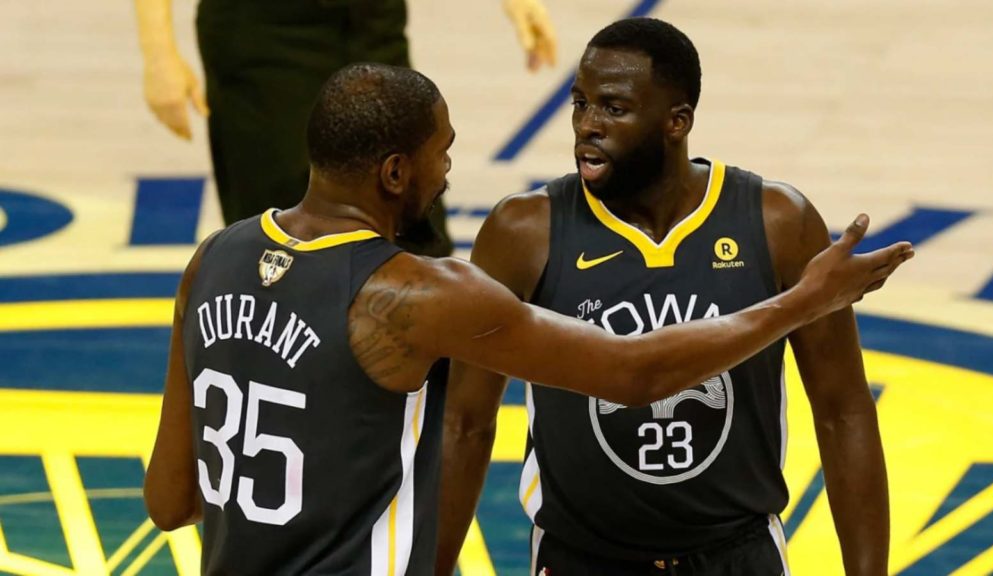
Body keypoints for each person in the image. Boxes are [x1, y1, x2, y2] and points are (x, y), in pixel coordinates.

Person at [142, 63, 910, 575]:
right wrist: (804, 301)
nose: (447, 174)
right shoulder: (415, 295)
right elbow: (634, 372)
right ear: (395, 172)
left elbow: (169, 501)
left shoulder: (212, 260)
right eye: (441, 154)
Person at [437, 17, 895, 576]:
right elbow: (464, 421)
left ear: (677, 122)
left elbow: (843, 411)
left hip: (738, 555)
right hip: (581, 560)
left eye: (614, 108)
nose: (587, 126)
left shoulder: (777, 222)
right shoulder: (525, 231)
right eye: (580, 104)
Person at [133, 0, 557, 256]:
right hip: (263, 29)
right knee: (280, 235)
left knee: (413, 222)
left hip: (371, 22)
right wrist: (158, 52)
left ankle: (423, 398)